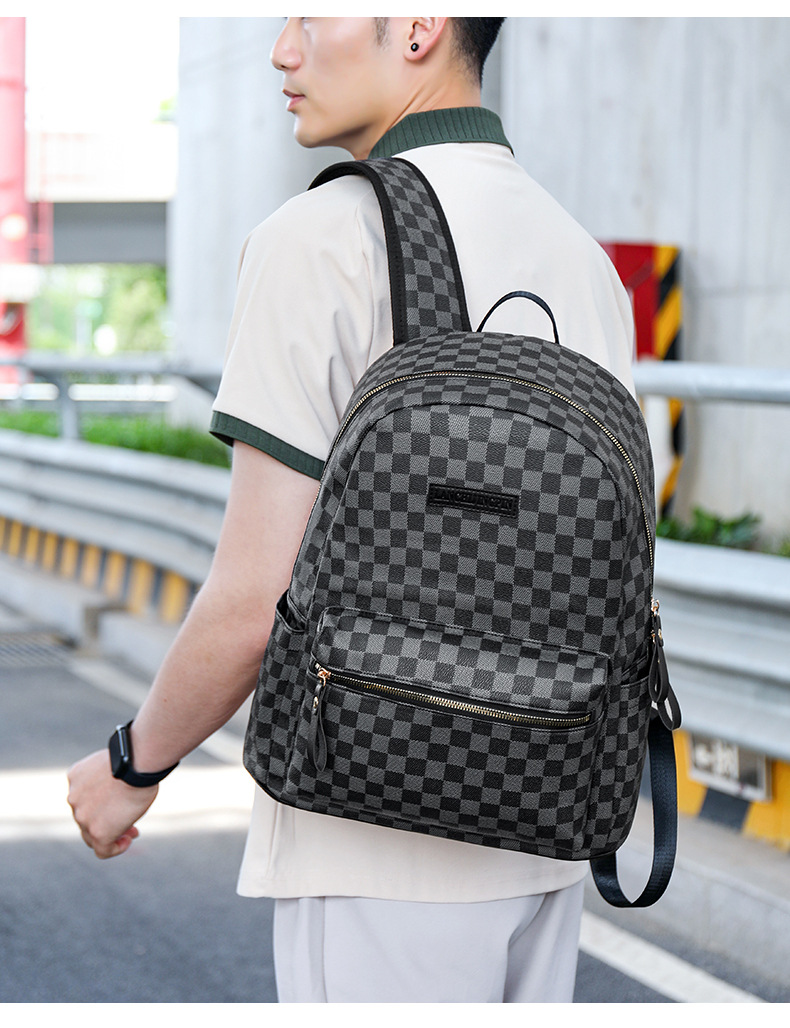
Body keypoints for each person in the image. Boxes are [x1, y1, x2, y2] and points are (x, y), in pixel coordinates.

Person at [68, 17, 635, 1003]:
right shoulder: (578, 255)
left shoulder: (321, 238)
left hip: (375, 833)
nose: (281, 51)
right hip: (547, 827)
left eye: (308, 15)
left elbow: (257, 597)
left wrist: (131, 763)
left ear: (417, 26)